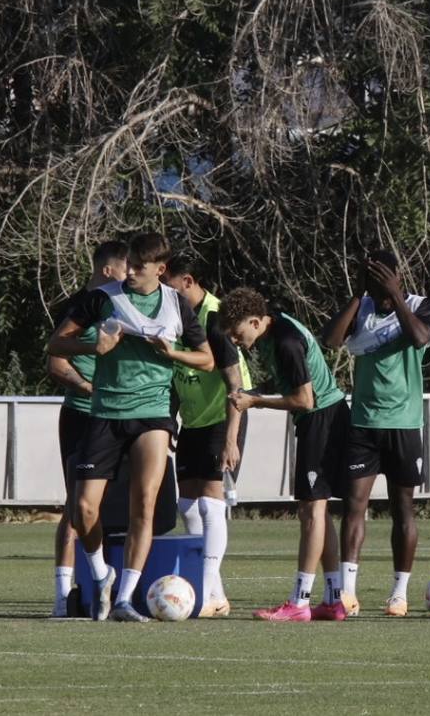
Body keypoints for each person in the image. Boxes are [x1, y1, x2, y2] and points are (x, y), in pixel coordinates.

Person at [46, 232, 216, 622]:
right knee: (83, 508)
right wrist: (94, 348)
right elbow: (55, 345)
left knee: (145, 503)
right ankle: (101, 574)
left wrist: (172, 353)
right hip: (105, 412)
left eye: (140, 266)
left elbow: (206, 359)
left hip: (152, 413)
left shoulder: (176, 304)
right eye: (130, 265)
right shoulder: (102, 298)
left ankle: (124, 598)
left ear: (161, 269)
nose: (132, 272)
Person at [321, 250, 430, 618]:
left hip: (405, 424)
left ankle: (399, 594)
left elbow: (420, 338)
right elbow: (331, 340)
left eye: (383, 283)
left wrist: (397, 296)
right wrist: (358, 295)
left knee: (403, 508)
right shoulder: (362, 307)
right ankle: (348, 593)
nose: (380, 295)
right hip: (364, 423)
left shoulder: (420, 305)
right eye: (373, 286)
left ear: (397, 277)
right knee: (354, 505)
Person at [222, 287, 347, 622]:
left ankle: (299, 602)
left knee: (311, 511)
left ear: (256, 321)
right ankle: (334, 600)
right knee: (317, 510)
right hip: (318, 419)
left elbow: (305, 399)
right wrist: (253, 393)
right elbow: (285, 382)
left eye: (237, 333)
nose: (235, 340)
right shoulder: (271, 331)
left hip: (322, 419)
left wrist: (254, 401)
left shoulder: (285, 341)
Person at [162, 255, 252, 618]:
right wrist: (171, 420)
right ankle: (215, 594)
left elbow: (235, 383)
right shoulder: (173, 316)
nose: (162, 291)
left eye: (168, 284)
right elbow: (174, 375)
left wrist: (231, 439)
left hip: (221, 418)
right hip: (193, 422)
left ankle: (204, 589)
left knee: (211, 504)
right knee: (187, 504)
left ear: (187, 281)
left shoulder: (215, 318)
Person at [44, 240, 128, 617]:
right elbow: (55, 362)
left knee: (114, 506)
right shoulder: (79, 308)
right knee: (75, 507)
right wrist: (89, 388)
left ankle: (115, 589)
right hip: (82, 416)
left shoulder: (123, 304)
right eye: (126, 268)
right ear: (108, 270)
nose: (130, 276)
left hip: (118, 417)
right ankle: (64, 597)